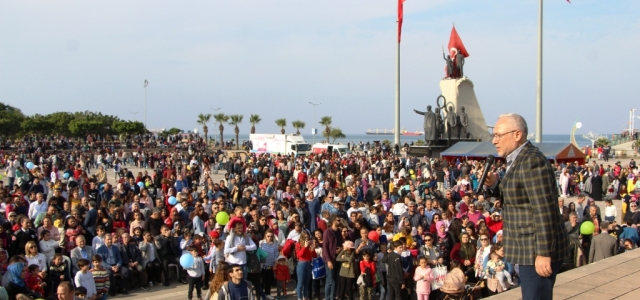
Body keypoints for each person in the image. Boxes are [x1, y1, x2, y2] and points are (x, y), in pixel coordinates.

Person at [485, 113, 569, 300]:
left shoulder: (531, 161)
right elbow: (519, 199)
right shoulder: (518, 159)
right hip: (526, 248)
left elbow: (544, 210)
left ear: (517, 134)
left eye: (498, 135)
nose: (494, 141)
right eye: (494, 136)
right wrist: (494, 186)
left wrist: (544, 254)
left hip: (535, 250)